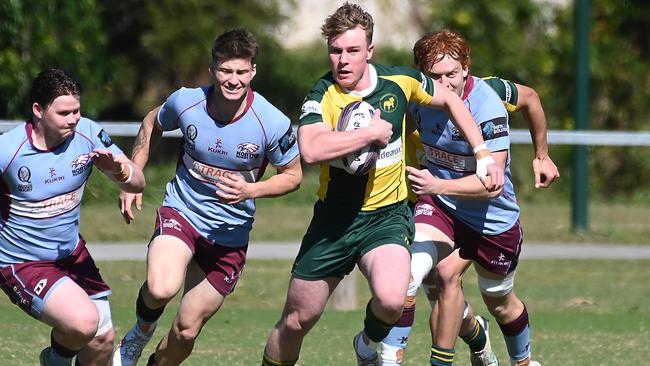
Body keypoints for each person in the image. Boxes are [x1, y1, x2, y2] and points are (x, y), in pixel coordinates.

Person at [261, 4, 504, 366]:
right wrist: (368, 134)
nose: (342, 60)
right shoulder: (323, 94)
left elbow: (451, 98)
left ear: (369, 52)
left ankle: (366, 343)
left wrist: (482, 152)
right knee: (298, 320)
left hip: (387, 218)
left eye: (353, 50)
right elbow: (310, 148)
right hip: (335, 221)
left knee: (392, 300)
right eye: (335, 50)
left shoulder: (400, 82)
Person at [111, 29, 302, 366]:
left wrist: (251, 190)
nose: (233, 80)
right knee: (160, 289)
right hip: (183, 213)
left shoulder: (272, 122)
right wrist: (133, 175)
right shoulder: (187, 101)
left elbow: (294, 176)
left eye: (241, 72)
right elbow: (153, 122)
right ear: (213, 70)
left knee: (185, 331)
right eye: (226, 71)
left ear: (253, 72)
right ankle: (139, 334)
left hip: (230, 234)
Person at [383, 55, 559, 366]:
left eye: (452, 73)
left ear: (466, 68)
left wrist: (542, 155)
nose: (445, 83)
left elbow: (530, 97)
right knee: (436, 282)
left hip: (488, 216)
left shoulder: (488, 96)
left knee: (497, 300)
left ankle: (515, 356)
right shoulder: (413, 95)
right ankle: (398, 355)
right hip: (434, 204)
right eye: (435, 76)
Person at [0, 68, 145, 366]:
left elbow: (138, 182)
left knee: (103, 341)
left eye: (77, 111)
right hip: (22, 262)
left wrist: (119, 171)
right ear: (38, 110)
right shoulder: (8, 151)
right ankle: (54, 359)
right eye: (64, 112)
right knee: (83, 322)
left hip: (72, 256)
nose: (73, 119)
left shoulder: (88, 133)